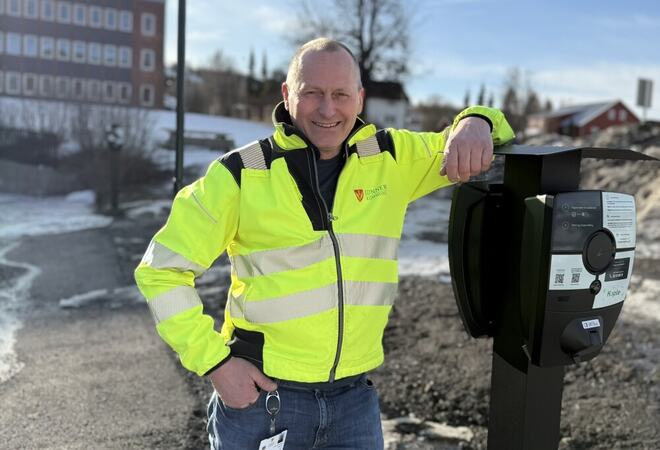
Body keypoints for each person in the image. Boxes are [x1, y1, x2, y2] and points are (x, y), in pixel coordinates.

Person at [135, 37, 514, 449]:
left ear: (360, 98)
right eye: (312, 92)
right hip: (263, 401)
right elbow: (161, 271)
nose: (328, 109)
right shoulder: (240, 174)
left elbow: (489, 130)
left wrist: (476, 121)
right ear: (287, 94)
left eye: (340, 94)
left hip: (354, 403)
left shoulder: (391, 158)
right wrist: (216, 365)